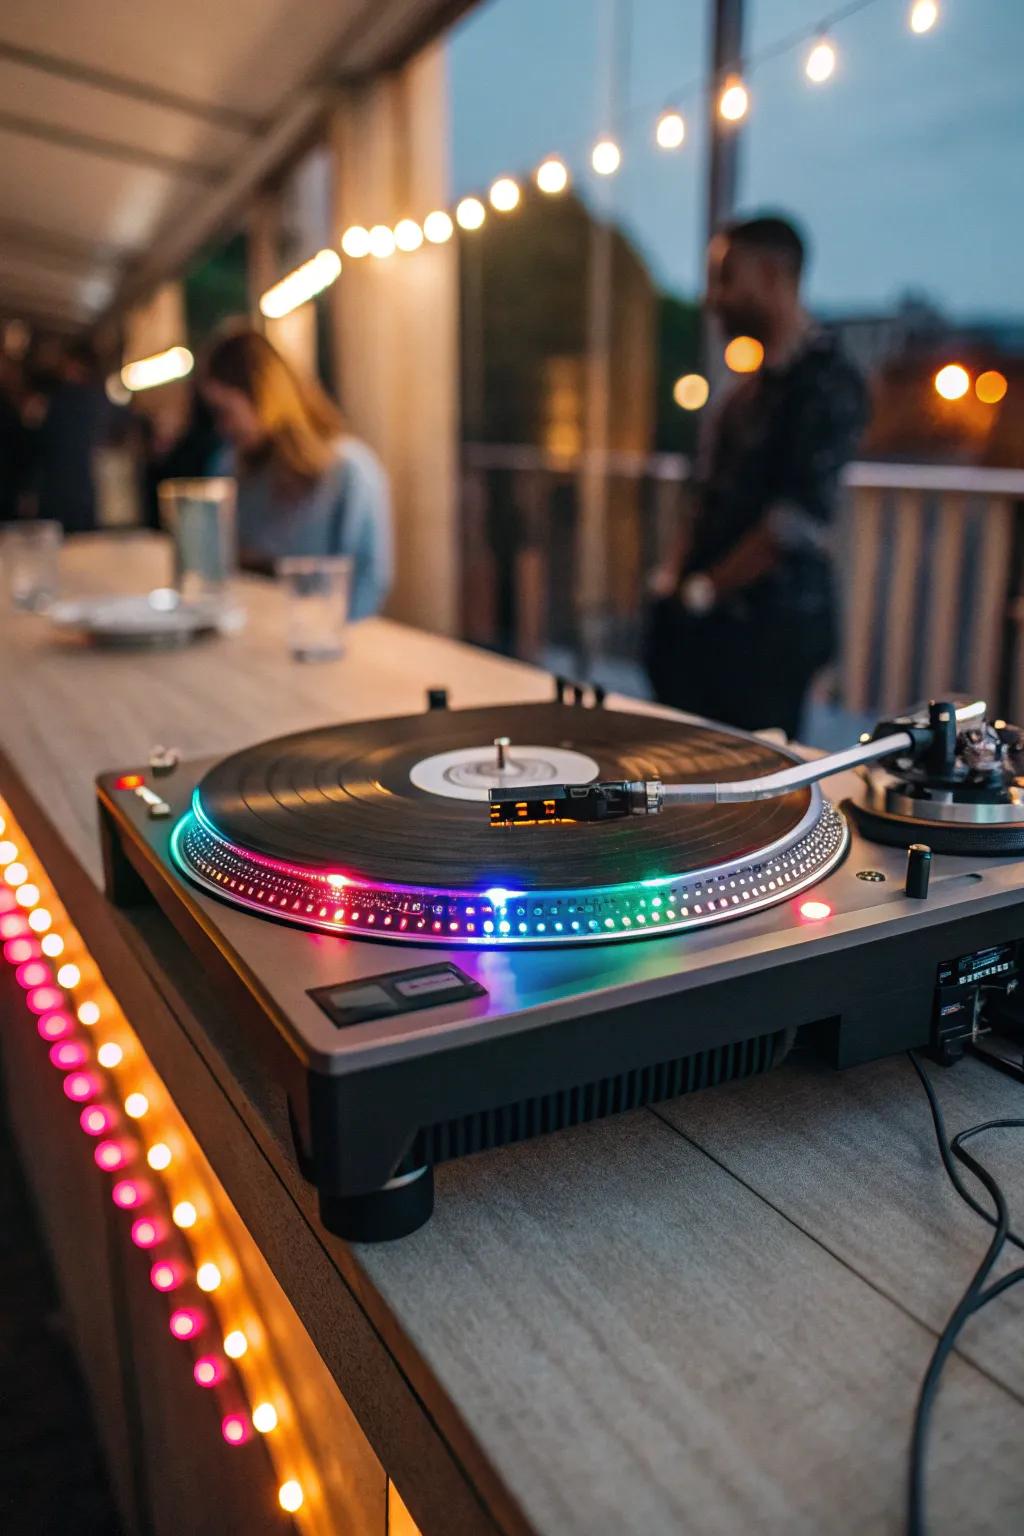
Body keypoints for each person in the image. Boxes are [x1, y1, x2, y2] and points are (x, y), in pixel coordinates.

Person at [646, 214, 867, 739]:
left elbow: (793, 521)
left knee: (757, 786)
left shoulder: (828, 383)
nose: (713, 296)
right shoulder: (747, 392)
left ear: (771, 276)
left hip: (769, 634)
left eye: (726, 277)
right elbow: (705, 496)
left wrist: (701, 591)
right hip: (709, 628)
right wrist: (674, 585)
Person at [200, 327, 392, 619]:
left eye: (224, 411)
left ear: (262, 394)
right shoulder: (228, 467)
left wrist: (325, 635)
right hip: (247, 637)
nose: (221, 427)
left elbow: (370, 579)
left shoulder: (349, 470)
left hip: (317, 640)